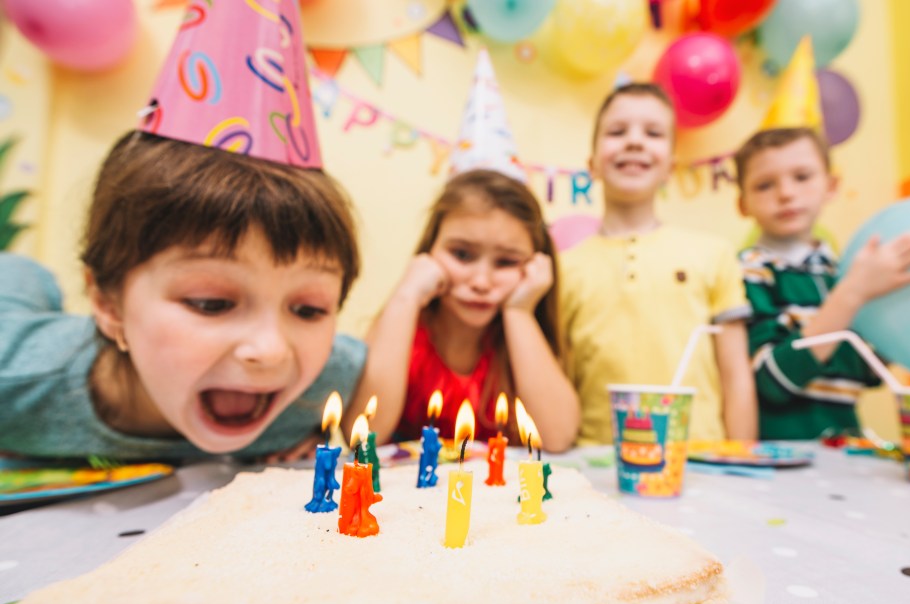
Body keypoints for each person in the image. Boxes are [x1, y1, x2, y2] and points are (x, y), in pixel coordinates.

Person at [0, 131, 364, 461]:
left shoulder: (321, 379)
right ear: (108, 304)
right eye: (211, 303)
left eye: (309, 309)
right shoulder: (16, 380)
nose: (271, 351)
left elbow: (367, 371)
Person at [560, 83, 757, 445]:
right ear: (592, 165)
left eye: (653, 133)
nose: (634, 142)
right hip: (597, 461)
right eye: (617, 132)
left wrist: (740, 456)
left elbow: (736, 376)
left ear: (670, 167)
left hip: (701, 457)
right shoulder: (564, 268)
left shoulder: (714, 254)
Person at [349, 169, 580, 452]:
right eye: (461, 254)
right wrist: (406, 297)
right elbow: (361, 435)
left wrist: (519, 312)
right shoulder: (403, 327)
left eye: (506, 262)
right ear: (430, 250)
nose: (481, 282)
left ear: (535, 266)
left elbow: (557, 438)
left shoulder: (521, 342)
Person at [734, 127, 910, 439]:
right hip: (780, 455)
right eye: (765, 185)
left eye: (802, 177)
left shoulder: (844, 272)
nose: (786, 193)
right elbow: (772, 383)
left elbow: (868, 373)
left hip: (847, 449)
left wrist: (908, 315)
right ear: (743, 204)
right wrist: (852, 293)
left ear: (831, 186)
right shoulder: (748, 271)